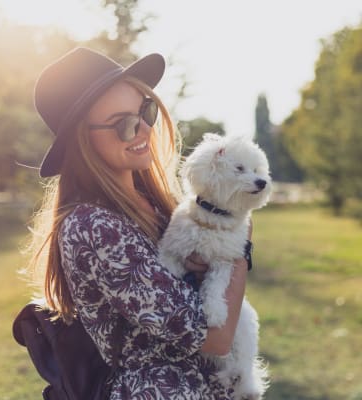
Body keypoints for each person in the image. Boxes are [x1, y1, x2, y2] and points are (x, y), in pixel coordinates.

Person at [27, 47, 250, 400]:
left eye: (145, 112)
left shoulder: (160, 208)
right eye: (124, 124)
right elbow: (215, 336)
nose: (144, 129)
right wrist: (240, 243)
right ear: (83, 140)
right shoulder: (93, 227)